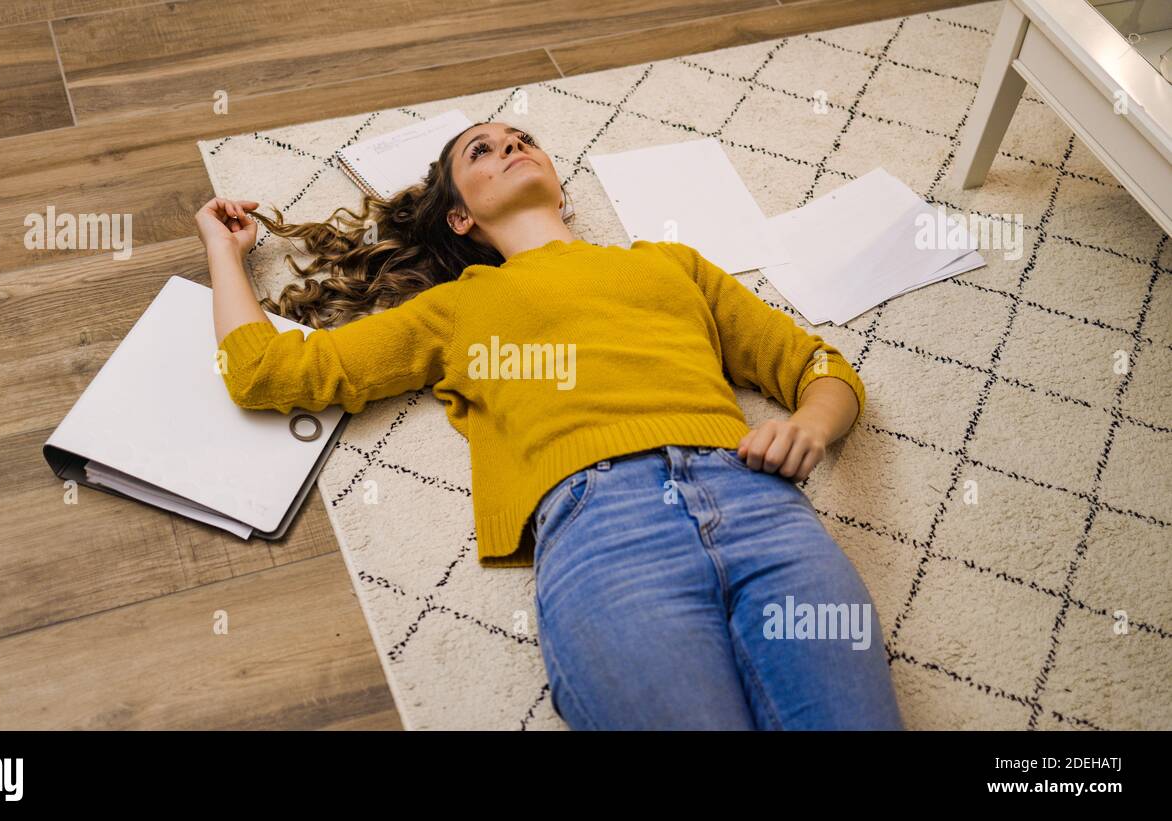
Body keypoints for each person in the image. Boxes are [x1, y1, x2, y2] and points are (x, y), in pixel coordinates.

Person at [193, 121, 904, 730]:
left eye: (522, 139)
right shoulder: (456, 308)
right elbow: (268, 373)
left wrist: (812, 424)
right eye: (482, 151)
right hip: (603, 531)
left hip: (759, 502)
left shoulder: (669, 263)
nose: (510, 146)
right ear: (460, 218)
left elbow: (820, 365)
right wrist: (224, 251)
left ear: (558, 185)